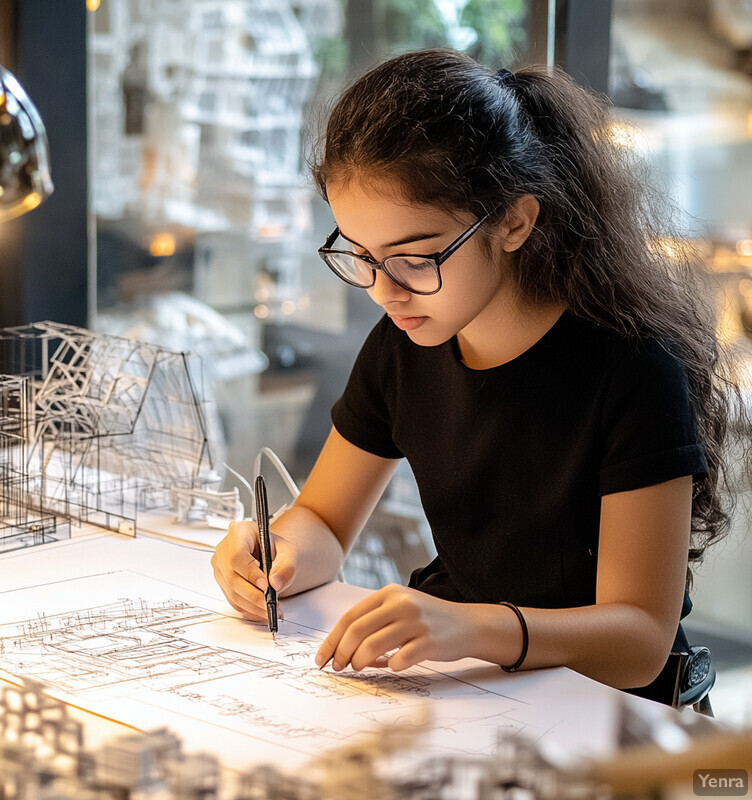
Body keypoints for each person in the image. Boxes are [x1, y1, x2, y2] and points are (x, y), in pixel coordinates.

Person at [212, 48, 743, 699]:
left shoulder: (631, 366)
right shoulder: (403, 344)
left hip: (600, 707)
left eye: (414, 257)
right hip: (464, 683)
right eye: (362, 255)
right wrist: (276, 554)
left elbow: (639, 642)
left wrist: (470, 628)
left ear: (515, 221)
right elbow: (322, 520)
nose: (383, 290)